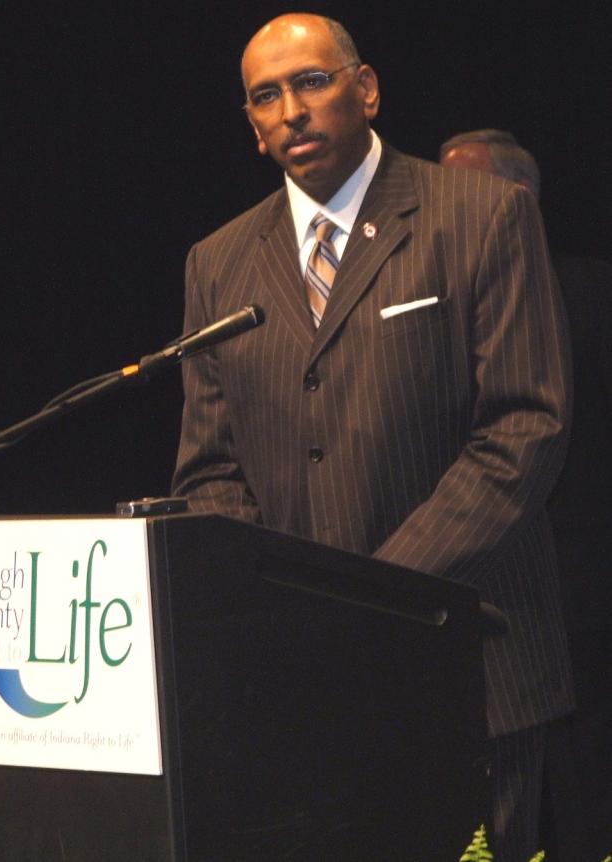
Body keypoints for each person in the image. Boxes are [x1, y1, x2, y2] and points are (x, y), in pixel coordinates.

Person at [172, 14, 574, 860]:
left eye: (311, 82)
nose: (292, 110)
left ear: (366, 89)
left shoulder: (483, 215)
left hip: (469, 664)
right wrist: (284, 613)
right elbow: (211, 469)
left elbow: (523, 430)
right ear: (251, 126)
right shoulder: (218, 261)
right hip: (298, 684)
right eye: (265, 96)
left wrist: (367, 597)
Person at [440, 128, 612, 861]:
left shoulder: (592, 290)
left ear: (517, 199)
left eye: (460, 189)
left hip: (582, 579)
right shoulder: (438, 301)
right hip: (481, 577)